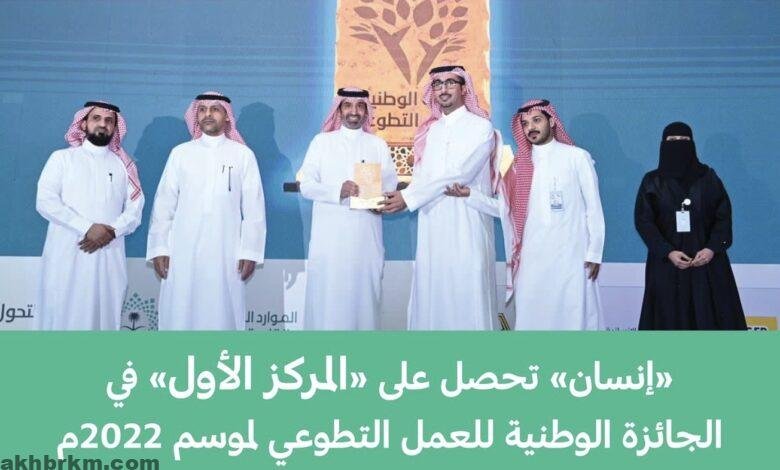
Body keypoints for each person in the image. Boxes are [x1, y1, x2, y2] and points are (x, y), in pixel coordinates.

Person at [451, 99, 605, 330]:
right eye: (525, 123)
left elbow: (593, 208)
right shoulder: (517, 167)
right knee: (533, 318)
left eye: (536, 120)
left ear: (551, 121)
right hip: (532, 260)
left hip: (571, 257)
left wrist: (594, 252)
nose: (531, 127)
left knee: (573, 316)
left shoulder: (577, 157)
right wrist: (470, 195)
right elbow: (503, 210)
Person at [382, 65, 499, 330]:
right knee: (433, 290)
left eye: (450, 83)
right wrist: (394, 198)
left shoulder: (481, 127)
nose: (443, 89)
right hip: (433, 223)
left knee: (467, 290)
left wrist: (408, 198)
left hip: (467, 224)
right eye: (438, 84)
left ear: (463, 88)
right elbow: (422, 177)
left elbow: (460, 173)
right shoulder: (431, 131)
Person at [147, 91, 266, 330]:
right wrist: (160, 248)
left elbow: (254, 207)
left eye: (215, 109)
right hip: (183, 250)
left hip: (226, 250)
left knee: (222, 312)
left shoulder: (243, 155)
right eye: (202, 110)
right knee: (181, 310)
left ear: (227, 116)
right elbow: (163, 204)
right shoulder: (181, 153)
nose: (208, 114)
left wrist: (250, 251)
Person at [36, 101, 144, 330]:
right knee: (62, 317)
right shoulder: (62, 158)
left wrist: (111, 231)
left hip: (108, 255)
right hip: (67, 254)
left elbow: (135, 210)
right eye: (96, 118)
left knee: (102, 319)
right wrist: (87, 227)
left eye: (109, 120)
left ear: (115, 127)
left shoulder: (124, 165)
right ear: (83, 123)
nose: (103, 124)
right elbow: (45, 201)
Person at [299, 87, 398, 329]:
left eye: (360, 106)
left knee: (364, 306)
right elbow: (306, 185)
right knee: (328, 306)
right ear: (339, 110)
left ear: (366, 111)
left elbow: (390, 184)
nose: (354, 111)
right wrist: (337, 191)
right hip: (329, 244)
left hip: (366, 242)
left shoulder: (377, 145)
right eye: (348, 105)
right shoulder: (322, 142)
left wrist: (380, 202)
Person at [634, 122, 747, 329]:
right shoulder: (652, 181)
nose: (678, 145)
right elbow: (644, 221)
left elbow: (723, 217)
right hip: (667, 265)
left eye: (683, 140)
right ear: (663, 144)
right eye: (673, 140)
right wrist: (667, 252)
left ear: (692, 144)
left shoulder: (708, 177)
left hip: (707, 265)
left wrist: (711, 249)